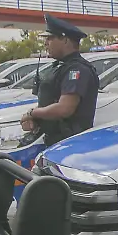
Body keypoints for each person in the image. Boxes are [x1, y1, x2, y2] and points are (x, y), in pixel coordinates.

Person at [20, 14, 99, 145]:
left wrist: (33, 113)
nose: (46, 43)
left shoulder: (77, 69)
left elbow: (64, 108)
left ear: (65, 40)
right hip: (56, 142)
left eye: (50, 38)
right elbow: (51, 101)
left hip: (71, 145)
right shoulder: (61, 66)